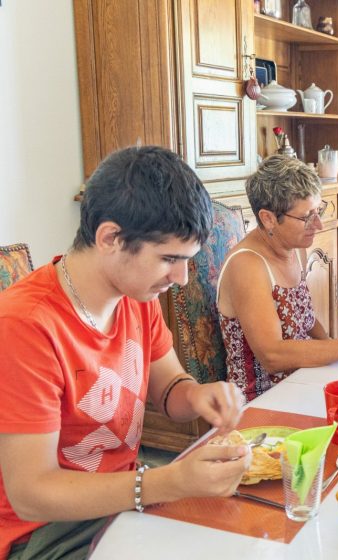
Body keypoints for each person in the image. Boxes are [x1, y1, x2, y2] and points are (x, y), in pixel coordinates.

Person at [0, 146, 252, 559]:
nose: (181, 277)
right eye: (169, 258)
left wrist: (199, 396)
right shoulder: (25, 324)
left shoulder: (136, 294)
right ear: (110, 238)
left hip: (124, 501)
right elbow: (31, 492)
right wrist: (166, 483)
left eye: (187, 260)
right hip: (48, 533)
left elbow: (169, 388)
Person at [217, 155, 338, 401]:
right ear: (268, 218)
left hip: (301, 383)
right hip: (261, 401)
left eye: (318, 210)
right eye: (306, 217)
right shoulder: (247, 265)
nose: (319, 224)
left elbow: (308, 321)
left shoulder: (291, 247)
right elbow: (273, 356)